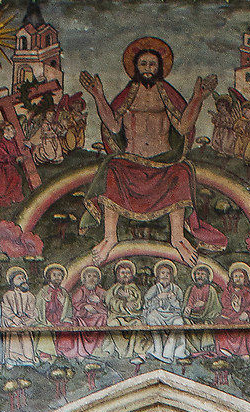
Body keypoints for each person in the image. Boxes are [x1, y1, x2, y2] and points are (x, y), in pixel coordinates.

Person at [78, 37, 217, 261]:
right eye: (143, 64)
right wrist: (98, 95)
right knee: (112, 167)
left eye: (152, 65)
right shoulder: (129, 93)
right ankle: (110, 237)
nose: (148, 69)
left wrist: (198, 98)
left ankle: (178, 237)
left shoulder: (165, 93)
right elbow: (113, 125)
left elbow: (182, 128)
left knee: (181, 171)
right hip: (131, 159)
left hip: (163, 160)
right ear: (136, 67)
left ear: (160, 68)